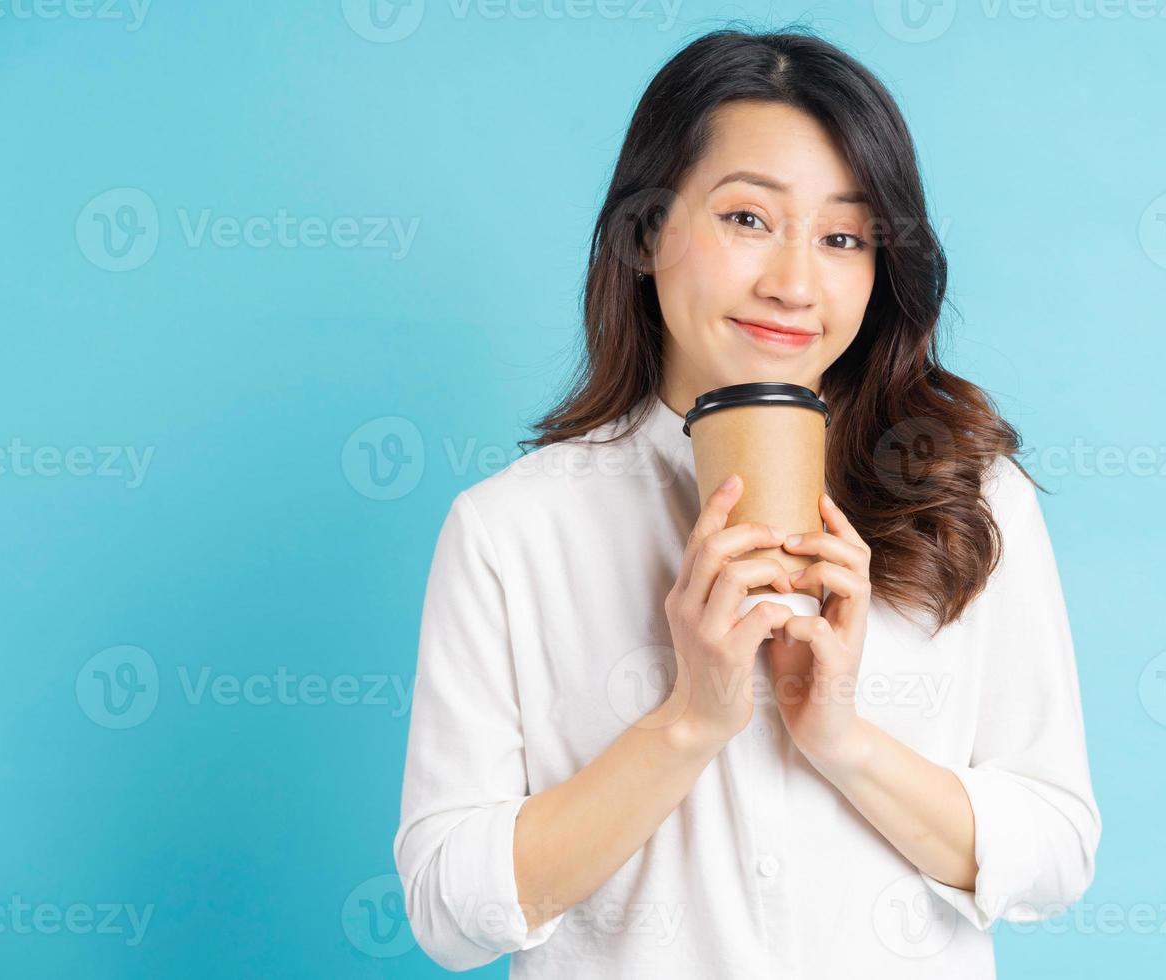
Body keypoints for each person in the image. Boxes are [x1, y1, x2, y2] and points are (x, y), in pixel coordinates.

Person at [392, 26, 1101, 978]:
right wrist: (690, 721)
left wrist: (843, 740)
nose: (794, 283)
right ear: (648, 233)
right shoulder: (515, 529)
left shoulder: (966, 496)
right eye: (747, 219)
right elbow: (449, 910)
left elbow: (1055, 851)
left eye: (844, 237)